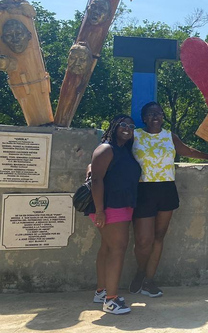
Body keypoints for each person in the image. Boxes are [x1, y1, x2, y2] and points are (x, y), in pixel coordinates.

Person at [129, 101, 208, 298]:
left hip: (166, 189)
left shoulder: (170, 136)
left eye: (158, 113)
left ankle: (149, 280)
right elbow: (114, 150)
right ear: (143, 118)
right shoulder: (136, 135)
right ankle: (140, 272)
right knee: (143, 240)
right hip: (143, 190)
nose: (155, 117)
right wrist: (94, 165)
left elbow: (188, 151)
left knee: (159, 237)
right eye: (150, 114)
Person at [89, 114, 142, 315]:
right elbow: (96, 180)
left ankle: (101, 292)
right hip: (110, 207)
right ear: (114, 126)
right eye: (123, 124)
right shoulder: (106, 149)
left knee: (108, 248)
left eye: (131, 126)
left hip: (121, 205)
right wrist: (100, 210)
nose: (127, 128)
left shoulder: (123, 150)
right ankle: (111, 300)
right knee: (117, 249)